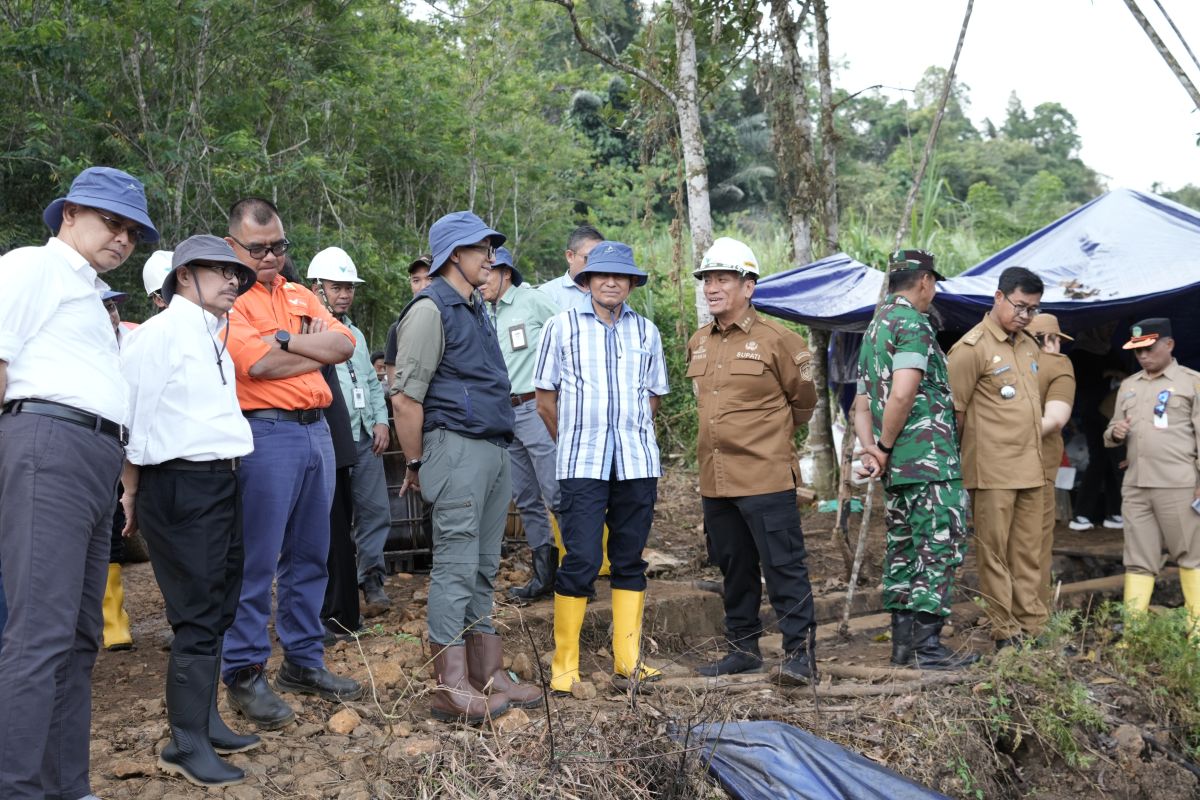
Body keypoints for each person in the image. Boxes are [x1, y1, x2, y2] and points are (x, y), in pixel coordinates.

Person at [0, 166, 158, 800]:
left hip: (92, 456)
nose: (122, 238)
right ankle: (17, 788)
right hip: (47, 441)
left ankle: (68, 786)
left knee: (78, 634)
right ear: (69, 214)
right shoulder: (32, 266)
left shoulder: (91, 296)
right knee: (39, 631)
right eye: (111, 222)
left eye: (132, 232)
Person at [120, 235, 261, 787]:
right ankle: (185, 742)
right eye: (221, 271)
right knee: (197, 612)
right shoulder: (157, 337)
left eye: (236, 274)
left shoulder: (213, 335)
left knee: (221, 603)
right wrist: (130, 492)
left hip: (221, 479)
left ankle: (205, 722)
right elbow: (130, 418)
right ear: (184, 275)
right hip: (179, 484)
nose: (233, 281)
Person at [391, 211, 541, 722]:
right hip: (456, 447)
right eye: (482, 249)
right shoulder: (429, 309)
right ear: (455, 254)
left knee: (482, 565)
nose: (490, 258)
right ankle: (449, 686)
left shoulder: (474, 306)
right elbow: (405, 398)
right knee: (455, 566)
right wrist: (417, 461)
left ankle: (487, 672)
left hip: (491, 447)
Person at [221, 197, 363, 730]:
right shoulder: (229, 299)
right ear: (233, 245)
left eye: (278, 246)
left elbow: (344, 345)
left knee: (311, 555)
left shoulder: (300, 293)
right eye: (258, 248)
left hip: (316, 431)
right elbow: (256, 364)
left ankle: (303, 661)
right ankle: (244, 671)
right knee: (257, 559)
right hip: (265, 433)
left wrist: (286, 341)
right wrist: (307, 348)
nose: (270, 257)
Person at [534, 241, 670, 692]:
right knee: (582, 559)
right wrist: (573, 440)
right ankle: (565, 665)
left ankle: (628, 661)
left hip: (636, 462)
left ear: (631, 283)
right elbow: (545, 400)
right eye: (602, 275)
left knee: (630, 558)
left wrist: (631, 432)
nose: (611, 282)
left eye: (620, 276)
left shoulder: (646, 332)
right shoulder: (560, 327)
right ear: (587, 281)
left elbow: (652, 397)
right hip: (582, 462)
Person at [686, 238, 823, 681]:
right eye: (707, 279)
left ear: (748, 286)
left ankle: (800, 656)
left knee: (784, 568)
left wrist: (767, 439)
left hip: (765, 477)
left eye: (722, 279)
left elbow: (803, 402)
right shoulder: (699, 342)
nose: (712, 287)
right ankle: (742, 649)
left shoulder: (778, 340)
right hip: (716, 480)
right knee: (735, 568)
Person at [855, 250, 979, 670]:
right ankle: (928, 649)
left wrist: (873, 450)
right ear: (925, 281)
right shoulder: (913, 323)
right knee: (939, 546)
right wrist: (885, 446)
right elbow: (904, 391)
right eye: (934, 284)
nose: (934, 292)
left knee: (904, 550)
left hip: (898, 470)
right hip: (928, 462)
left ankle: (903, 648)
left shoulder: (875, 328)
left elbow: (860, 404)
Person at [947, 266, 1047, 649]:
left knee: (1028, 554)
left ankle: (1033, 628)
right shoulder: (971, 349)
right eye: (1020, 306)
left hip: (1030, 466)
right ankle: (1005, 632)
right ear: (999, 297)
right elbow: (955, 414)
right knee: (994, 555)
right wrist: (956, 468)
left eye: (1033, 309)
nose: (1026, 315)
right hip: (991, 470)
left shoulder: (1029, 345)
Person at [307, 247, 394, 610]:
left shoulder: (354, 333)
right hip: (330, 439)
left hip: (364, 437)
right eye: (336, 287)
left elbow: (372, 383)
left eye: (349, 287)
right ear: (317, 288)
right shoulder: (308, 332)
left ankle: (371, 578)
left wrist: (381, 420)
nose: (344, 294)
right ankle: (329, 591)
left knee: (376, 511)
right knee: (333, 518)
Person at [1104, 318, 1200, 633]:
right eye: (1137, 351)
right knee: (1137, 558)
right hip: (1136, 484)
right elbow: (1111, 430)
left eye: (1149, 348)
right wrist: (1115, 432)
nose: (1143, 356)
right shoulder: (1129, 385)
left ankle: (1196, 637)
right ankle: (1134, 635)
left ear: (1169, 344)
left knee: (1192, 556)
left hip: (1179, 484)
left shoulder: (1191, 382)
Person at [480, 246, 564, 603]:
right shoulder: (482, 311)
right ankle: (544, 574)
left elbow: (568, 334)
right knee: (526, 497)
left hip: (535, 407)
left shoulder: (533, 301)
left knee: (556, 492)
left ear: (505, 273)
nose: (482, 280)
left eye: (488, 272)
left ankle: (578, 572)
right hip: (504, 414)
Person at [1026, 314, 1076, 609]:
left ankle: (1003, 614)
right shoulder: (1057, 364)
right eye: (1057, 340)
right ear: (1049, 339)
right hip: (1038, 464)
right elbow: (1056, 419)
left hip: (995, 465)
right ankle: (1035, 615)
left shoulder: (1002, 362)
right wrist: (1018, 432)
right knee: (1038, 543)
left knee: (1003, 543)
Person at [101, 289, 136, 652]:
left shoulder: (135, 338)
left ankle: (115, 617)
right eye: (103, 307)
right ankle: (111, 619)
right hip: (98, 445)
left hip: (135, 446)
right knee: (105, 526)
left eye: (112, 306)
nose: (111, 314)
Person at [384, 254, 434, 387]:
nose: (423, 287)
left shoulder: (452, 323)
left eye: (430, 278)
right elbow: (393, 385)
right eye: (416, 280)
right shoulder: (397, 329)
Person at [537, 224, 604, 312]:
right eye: (590, 258)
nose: (596, 264)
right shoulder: (547, 294)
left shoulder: (611, 292)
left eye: (601, 259)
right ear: (570, 256)